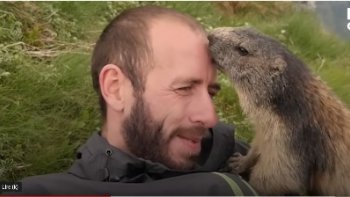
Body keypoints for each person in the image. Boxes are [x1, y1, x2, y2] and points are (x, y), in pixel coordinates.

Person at [14, 5, 257, 195]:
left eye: (211, 93)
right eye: (184, 88)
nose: (210, 116)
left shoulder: (251, 156)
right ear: (116, 88)